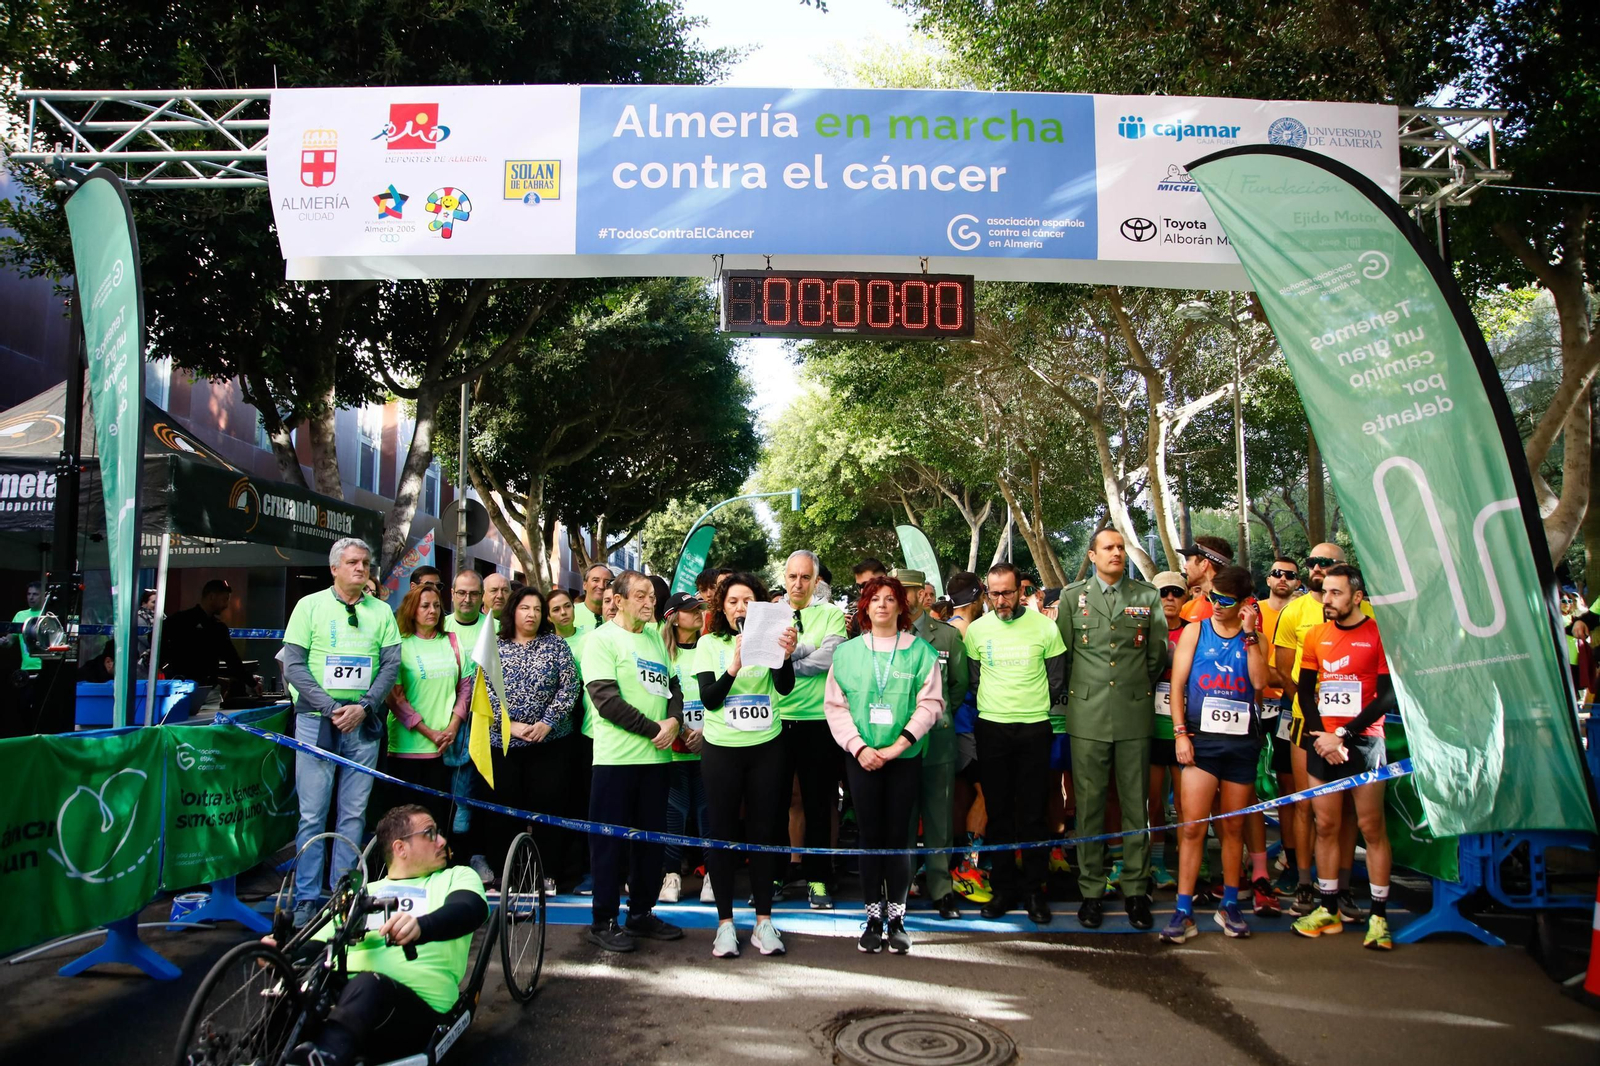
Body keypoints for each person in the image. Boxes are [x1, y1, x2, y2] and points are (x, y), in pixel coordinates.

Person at [275, 805, 487, 1066]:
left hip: (413, 1006)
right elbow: (317, 945)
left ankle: (326, 1056)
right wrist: (281, 955)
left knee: (369, 985)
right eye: (430, 833)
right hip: (345, 996)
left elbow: (469, 910)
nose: (442, 841)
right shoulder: (362, 892)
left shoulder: (455, 876)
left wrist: (422, 926)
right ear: (400, 848)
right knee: (296, 990)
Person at [281, 538, 402, 925]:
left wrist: (364, 706)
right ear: (334, 568)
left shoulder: (382, 611)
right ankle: (305, 898)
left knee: (353, 814)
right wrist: (332, 708)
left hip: (363, 724)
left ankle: (342, 894)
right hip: (318, 722)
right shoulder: (309, 606)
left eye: (365, 563)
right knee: (313, 815)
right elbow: (293, 666)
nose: (361, 569)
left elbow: (390, 666)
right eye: (352, 562)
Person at [826, 575, 943, 954]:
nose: (882, 605)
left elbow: (931, 704)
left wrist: (898, 746)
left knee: (898, 840)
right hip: (861, 759)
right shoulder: (846, 654)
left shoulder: (920, 652)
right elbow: (835, 706)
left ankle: (897, 919)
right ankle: (872, 917)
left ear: (900, 606)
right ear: (865, 606)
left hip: (903, 759)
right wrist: (860, 748)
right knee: (868, 837)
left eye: (889, 599)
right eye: (874, 598)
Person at [1058, 530, 1166, 931]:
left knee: (1136, 804)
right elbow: (1065, 656)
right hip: (1087, 715)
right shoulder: (1072, 597)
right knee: (1089, 806)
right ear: (1092, 555)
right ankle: (1091, 890)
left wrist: (1136, 688)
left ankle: (1136, 889)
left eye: (1121, 548)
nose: (1117, 553)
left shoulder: (1146, 596)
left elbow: (1155, 656)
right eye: (1109, 548)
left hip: (1134, 713)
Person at [1160, 566, 1268, 944]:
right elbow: (1176, 685)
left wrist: (1251, 633)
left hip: (1240, 744)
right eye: (1212, 598)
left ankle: (1230, 904)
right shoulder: (1195, 630)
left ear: (1243, 603)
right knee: (1193, 827)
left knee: (1233, 827)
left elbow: (1259, 682)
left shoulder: (1253, 637)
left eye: (1225, 601)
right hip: (1201, 741)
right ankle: (1183, 909)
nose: (1216, 606)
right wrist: (1180, 735)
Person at [693, 572, 798, 959]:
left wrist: (784, 655)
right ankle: (724, 925)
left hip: (766, 747)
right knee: (722, 832)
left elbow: (784, 687)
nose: (740, 607)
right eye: (733, 600)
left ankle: (763, 921)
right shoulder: (709, 643)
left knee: (765, 831)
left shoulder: (772, 638)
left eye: (747, 601)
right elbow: (710, 699)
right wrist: (734, 665)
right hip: (722, 749)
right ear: (722, 606)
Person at [1292, 565, 1396, 950]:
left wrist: (1343, 735)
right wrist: (1322, 737)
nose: (1327, 600)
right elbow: (1305, 692)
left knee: (1371, 828)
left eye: (1336, 593)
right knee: (1327, 825)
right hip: (1323, 744)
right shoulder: (1317, 635)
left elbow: (1387, 697)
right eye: (1324, 592)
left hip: (1364, 742)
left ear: (1356, 596)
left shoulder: (1377, 634)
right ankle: (1328, 908)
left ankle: (1379, 918)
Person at [581, 571, 685, 952]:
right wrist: (654, 728)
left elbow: (674, 687)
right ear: (618, 599)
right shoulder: (601, 640)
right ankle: (603, 920)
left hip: (656, 762)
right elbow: (605, 701)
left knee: (650, 843)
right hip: (616, 761)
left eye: (652, 597)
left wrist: (673, 720)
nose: (649, 602)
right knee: (609, 845)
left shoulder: (655, 640)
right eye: (640, 595)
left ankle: (640, 913)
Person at [1272, 543, 1371, 918]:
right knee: (1305, 804)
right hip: (1307, 723)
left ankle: (1341, 889)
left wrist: (1343, 729)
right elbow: (1284, 672)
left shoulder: (1368, 614)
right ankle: (1303, 883)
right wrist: (1318, 722)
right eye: (1312, 563)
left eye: (1325, 563)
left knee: (1345, 810)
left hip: (1356, 729)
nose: (1316, 568)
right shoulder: (1295, 611)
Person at [965, 561, 1067, 924]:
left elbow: (1056, 679)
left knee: (1033, 813)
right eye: (994, 594)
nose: (1001, 600)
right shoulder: (975, 631)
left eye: (1007, 592)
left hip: (1034, 730)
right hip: (992, 729)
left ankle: (1034, 890)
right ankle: (1003, 889)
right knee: (999, 812)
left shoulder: (1045, 627)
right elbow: (974, 679)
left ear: (1020, 591)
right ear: (986, 594)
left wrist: (1027, 705)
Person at [479, 586, 579, 889]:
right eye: (525, 608)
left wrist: (547, 722)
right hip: (505, 744)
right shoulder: (494, 646)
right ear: (513, 611)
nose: (531, 614)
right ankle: (507, 875)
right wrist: (510, 726)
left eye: (537, 609)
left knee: (549, 809)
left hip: (550, 744)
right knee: (504, 811)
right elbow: (484, 691)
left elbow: (570, 686)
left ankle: (547, 873)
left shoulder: (556, 645)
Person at [776, 549, 850, 909]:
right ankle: (777, 873)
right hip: (775, 722)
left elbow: (831, 657)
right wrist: (804, 654)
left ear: (816, 580)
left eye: (805, 577)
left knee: (819, 804)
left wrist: (790, 659)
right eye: (792, 576)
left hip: (819, 722)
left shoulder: (832, 614)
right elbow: (764, 657)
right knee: (776, 803)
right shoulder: (771, 613)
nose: (798, 583)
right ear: (785, 577)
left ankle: (819, 878)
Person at [898, 568, 970, 920]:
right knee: (903, 818)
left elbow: (957, 685)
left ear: (921, 594)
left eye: (908, 590)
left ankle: (942, 889)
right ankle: (902, 886)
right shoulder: (884, 633)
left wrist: (933, 715)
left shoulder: (946, 636)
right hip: (897, 741)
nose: (902, 596)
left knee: (939, 819)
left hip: (937, 739)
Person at [386, 584, 470, 834]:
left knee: (438, 819)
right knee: (405, 822)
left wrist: (453, 726)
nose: (432, 611)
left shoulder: (452, 642)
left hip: (444, 748)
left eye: (436, 605)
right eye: (425, 606)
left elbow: (465, 689)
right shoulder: (399, 644)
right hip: (407, 748)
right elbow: (395, 699)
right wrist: (428, 732)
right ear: (412, 610)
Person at [661, 592, 713, 905]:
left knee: (708, 812)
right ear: (673, 616)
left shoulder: (710, 647)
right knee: (673, 813)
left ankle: (711, 876)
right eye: (691, 610)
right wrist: (677, 728)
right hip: (673, 747)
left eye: (701, 609)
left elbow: (721, 693)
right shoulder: (660, 651)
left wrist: (705, 732)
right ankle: (671, 876)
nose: (699, 614)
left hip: (708, 745)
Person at [1256, 555, 1303, 905]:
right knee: (1250, 785)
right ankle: (1254, 862)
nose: (1282, 578)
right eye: (1276, 573)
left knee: (1291, 787)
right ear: (1268, 579)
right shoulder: (1254, 610)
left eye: (1289, 574)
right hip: (1254, 705)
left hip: (1289, 706)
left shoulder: (1305, 611)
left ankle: (1293, 860)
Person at [943, 571, 990, 903]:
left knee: (960, 795)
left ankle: (953, 863)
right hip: (968, 723)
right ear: (980, 597)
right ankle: (966, 867)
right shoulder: (969, 631)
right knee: (988, 792)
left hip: (953, 725)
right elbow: (968, 683)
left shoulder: (946, 629)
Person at [440, 570, 490, 879]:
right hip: (442, 730)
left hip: (485, 729)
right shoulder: (439, 625)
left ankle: (477, 857)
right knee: (446, 798)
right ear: (453, 594)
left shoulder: (494, 628)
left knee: (479, 798)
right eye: (461, 592)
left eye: (473, 593)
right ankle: (445, 858)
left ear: (482, 596)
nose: (467, 599)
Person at [1147, 570, 1188, 892]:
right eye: (1164, 593)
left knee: (1188, 805)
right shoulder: (1144, 631)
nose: (1170, 598)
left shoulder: (1195, 632)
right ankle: (1157, 862)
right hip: (1150, 728)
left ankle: (1195, 862)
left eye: (1176, 592)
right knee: (1154, 803)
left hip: (1185, 731)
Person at [163, 579, 259, 700]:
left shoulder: (218, 628)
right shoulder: (182, 620)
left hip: (206, 690)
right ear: (212, 597)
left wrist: (252, 682)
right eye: (224, 599)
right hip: (182, 689)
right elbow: (155, 639)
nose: (226, 605)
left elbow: (232, 660)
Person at [1177, 536, 1234, 622]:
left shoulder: (1240, 606)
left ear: (1204, 564)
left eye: (1189, 560)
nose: (1185, 566)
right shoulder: (1187, 608)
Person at [574, 563, 612, 632]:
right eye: (595, 580)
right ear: (585, 585)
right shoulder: (571, 614)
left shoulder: (618, 617)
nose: (601, 586)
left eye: (607, 582)